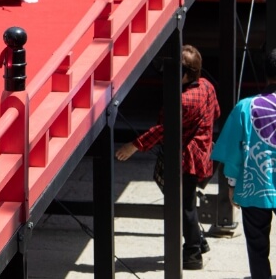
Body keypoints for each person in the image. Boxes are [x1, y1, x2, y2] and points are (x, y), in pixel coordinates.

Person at [115, 45, 217, 270]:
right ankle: (198, 241)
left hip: (186, 159)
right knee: (185, 202)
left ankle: (193, 252)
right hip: (203, 154)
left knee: (184, 206)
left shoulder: (182, 100)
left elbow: (163, 128)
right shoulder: (208, 87)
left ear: (187, 73)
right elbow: (216, 112)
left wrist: (134, 145)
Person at [212, 48, 276, 278]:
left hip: (255, 185)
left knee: (257, 245)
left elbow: (232, 151)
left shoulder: (245, 107)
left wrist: (232, 183)